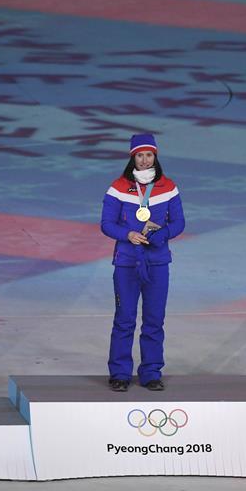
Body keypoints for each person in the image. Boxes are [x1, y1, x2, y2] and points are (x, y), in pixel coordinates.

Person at [101, 134, 185, 392]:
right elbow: (106, 224)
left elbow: (179, 222)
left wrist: (163, 234)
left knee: (154, 320)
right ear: (133, 157)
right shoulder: (118, 187)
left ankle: (151, 373)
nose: (145, 160)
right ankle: (119, 374)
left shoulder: (168, 187)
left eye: (149, 155)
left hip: (157, 263)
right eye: (140, 155)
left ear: (155, 157)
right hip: (127, 263)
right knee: (124, 319)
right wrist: (127, 234)